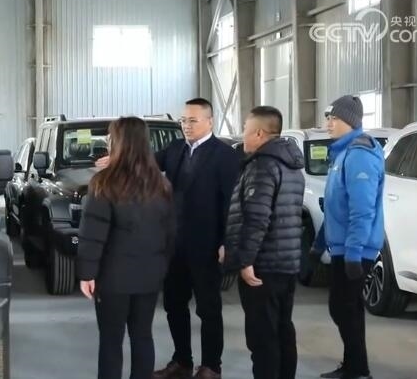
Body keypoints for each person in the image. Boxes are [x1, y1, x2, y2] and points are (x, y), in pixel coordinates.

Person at [100, 98, 240, 379]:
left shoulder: (225, 155)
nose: (187, 126)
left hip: (207, 245)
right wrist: (117, 162)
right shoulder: (175, 149)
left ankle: (211, 366)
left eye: (193, 120)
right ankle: (182, 361)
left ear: (210, 122)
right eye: (183, 120)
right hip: (174, 244)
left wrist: (228, 241)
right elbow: (143, 163)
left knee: (208, 308)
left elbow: (231, 203)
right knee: (174, 305)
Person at [77, 116, 177, 379]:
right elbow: (170, 234)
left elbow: (93, 234)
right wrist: (160, 267)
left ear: (118, 142)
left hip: (113, 279)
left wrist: (87, 274)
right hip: (149, 276)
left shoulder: (104, 183)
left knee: (111, 340)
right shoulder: (161, 184)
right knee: (142, 335)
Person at [223, 106, 305, 379]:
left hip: (264, 265)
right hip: (287, 262)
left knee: (263, 337)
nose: (242, 136)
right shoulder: (291, 165)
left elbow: (257, 217)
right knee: (282, 329)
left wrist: (245, 260)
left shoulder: (262, 166)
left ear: (259, 133)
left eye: (245, 130)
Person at [311, 95, 385, 379]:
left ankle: (358, 370)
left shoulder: (359, 155)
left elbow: (362, 210)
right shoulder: (342, 153)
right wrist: (318, 245)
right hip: (343, 246)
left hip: (356, 249)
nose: (329, 124)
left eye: (335, 119)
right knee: (348, 309)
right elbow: (334, 207)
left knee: (342, 308)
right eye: (328, 118)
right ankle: (356, 367)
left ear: (351, 122)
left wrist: (354, 253)